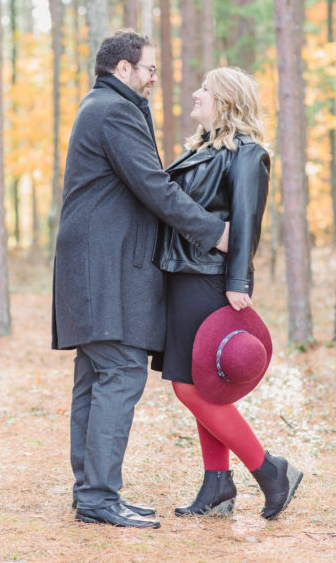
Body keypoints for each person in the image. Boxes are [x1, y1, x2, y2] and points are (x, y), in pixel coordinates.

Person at [52, 29, 230, 529]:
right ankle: (99, 498)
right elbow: (153, 187)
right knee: (120, 373)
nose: (154, 78)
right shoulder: (114, 111)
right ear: (124, 69)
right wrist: (216, 233)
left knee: (96, 377)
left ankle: (91, 492)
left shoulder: (102, 107)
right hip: (105, 267)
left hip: (95, 264)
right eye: (150, 68)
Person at [156, 66, 303, 520]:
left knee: (190, 387)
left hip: (211, 278)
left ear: (226, 101)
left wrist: (238, 280)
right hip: (182, 275)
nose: (196, 94)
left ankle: (270, 470)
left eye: (205, 89)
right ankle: (217, 483)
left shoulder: (248, 153)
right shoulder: (202, 148)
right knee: (204, 385)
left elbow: (246, 220)